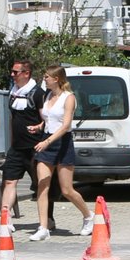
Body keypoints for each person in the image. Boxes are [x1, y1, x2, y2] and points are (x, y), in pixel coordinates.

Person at [0, 60, 49, 232]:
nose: (12, 75)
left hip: (35, 148)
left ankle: (48, 219)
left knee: (41, 185)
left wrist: (39, 129)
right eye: (11, 72)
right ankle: (5, 219)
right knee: (9, 180)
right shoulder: (13, 93)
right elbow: (13, 120)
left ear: (26, 74)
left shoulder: (37, 94)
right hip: (17, 148)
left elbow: (47, 120)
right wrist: (11, 142)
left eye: (15, 72)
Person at [29, 65, 94, 241]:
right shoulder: (47, 96)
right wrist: (39, 127)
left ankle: (89, 216)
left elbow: (65, 125)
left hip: (62, 143)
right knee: (42, 185)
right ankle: (43, 227)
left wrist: (47, 141)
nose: (44, 79)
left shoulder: (69, 98)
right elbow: (50, 118)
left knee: (67, 190)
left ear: (56, 79)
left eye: (47, 77)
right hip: (46, 141)